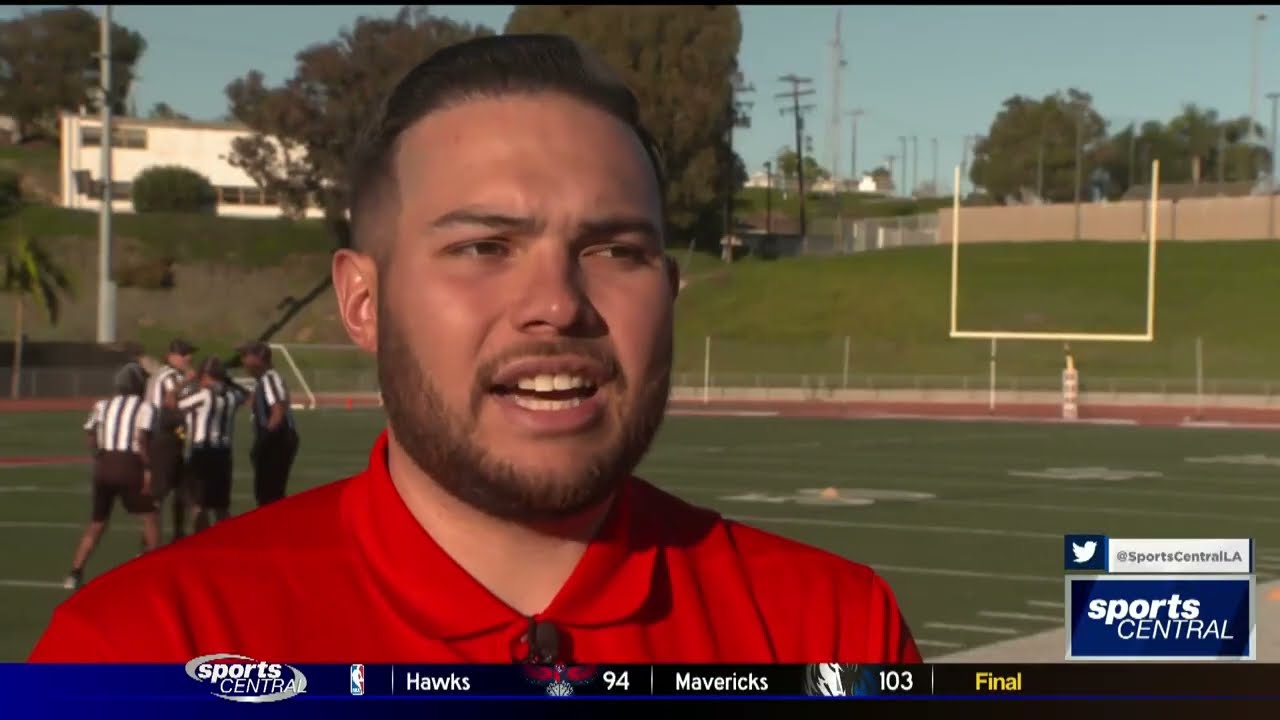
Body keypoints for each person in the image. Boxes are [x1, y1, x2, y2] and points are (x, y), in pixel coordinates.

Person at [29, 34, 920, 664]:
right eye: (483, 247)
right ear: (363, 300)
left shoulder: (832, 629)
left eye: (616, 251)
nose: (557, 305)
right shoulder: (138, 653)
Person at [64, 363, 158, 591]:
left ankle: (74, 572)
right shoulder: (145, 407)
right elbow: (142, 439)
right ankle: (155, 568)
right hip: (129, 465)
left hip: (104, 466)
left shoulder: (102, 405)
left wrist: (98, 453)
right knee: (150, 517)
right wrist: (148, 468)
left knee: (97, 523)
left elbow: (90, 433)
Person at [176, 358, 249, 532]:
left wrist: (187, 382)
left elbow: (173, 404)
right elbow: (246, 394)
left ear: (206, 376)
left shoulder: (203, 395)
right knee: (220, 506)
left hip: (202, 453)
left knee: (198, 505)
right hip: (223, 455)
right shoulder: (232, 396)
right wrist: (228, 381)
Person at [145, 339, 198, 542]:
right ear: (171, 356)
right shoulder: (170, 376)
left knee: (182, 490)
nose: (188, 358)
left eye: (189, 353)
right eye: (183, 354)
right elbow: (171, 400)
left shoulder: (176, 375)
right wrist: (188, 380)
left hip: (175, 437)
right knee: (159, 492)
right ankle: (149, 543)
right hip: (164, 437)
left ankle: (178, 534)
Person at [237, 341, 300, 507]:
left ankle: (277, 529)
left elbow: (277, 411)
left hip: (277, 441)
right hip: (278, 440)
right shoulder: (264, 380)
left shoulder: (269, 378)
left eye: (246, 356)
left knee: (269, 494)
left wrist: (263, 441)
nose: (242, 361)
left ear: (259, 359)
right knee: (269, 493)